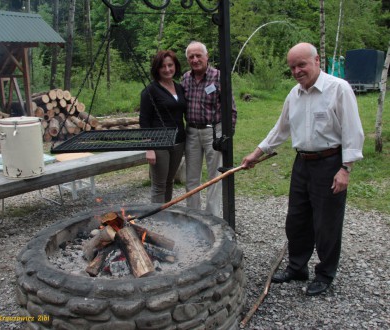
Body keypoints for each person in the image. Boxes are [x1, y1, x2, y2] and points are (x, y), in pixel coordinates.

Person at [241, 43, 364, 296]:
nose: (297, 71)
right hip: (302, 164)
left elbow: (353, 131)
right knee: (296, 219)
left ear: (317, 61)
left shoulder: (338, 89)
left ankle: (325, 274)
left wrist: (345, 169)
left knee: (326, 223)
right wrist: (256, 154)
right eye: (292, 67)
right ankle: (298, 267)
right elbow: (280, 129)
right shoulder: (294, 94)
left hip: (330, 163)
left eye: (301, 64)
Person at [181, 41, 237, 217]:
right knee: (191, 177)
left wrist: (228, 133)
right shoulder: (185, 79)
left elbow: (231, 108)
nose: (195, 59)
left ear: (207, 57)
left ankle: (212, 216)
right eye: (191, 56)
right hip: (191, 131)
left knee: (215, 176)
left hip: (213, 132)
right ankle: (194, 215)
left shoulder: (218, 76)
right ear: (188, 59)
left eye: (198, 55)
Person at [140, 50, 186, 203]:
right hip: (159, 142)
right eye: (163, 66)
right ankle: (156, 219)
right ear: (157, 69)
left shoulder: (179, 88)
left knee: (169, 181)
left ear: (175, 66)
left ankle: (167, 214)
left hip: (178, 141)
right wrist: (149, 148)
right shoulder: (150, 91)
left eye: (170, 65)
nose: (167, 69)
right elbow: (144, 121)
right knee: (159, 184)